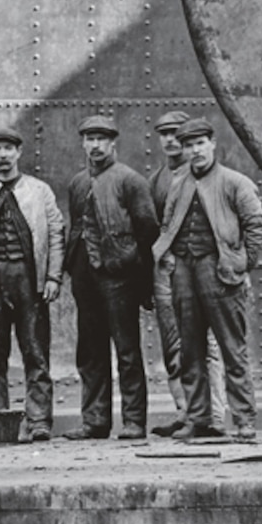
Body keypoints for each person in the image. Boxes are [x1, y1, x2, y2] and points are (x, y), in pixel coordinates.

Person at [155, 118, 262, 442]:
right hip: (184, 274)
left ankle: (245, 420)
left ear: (212, 143)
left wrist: (242, 263)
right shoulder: (178, 184)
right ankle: (199, 418)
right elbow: (167, 225)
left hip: (219, 273)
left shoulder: (235, 182)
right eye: (189, 145)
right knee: (189, 352)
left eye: (200, 143)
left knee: (233, 350)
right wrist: (169, 259)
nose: (195, 150)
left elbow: (257, 224)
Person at [0, 127, 64, 442]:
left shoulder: (39, 190)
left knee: (35, 352)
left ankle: (39, 421)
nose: (3, 155)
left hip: (28, 280)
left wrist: (53, 276)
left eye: (8, 148)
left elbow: (56, 232)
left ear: (18, 152)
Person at [65, 114, 161, 441]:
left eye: (101, 139)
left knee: (127, 351)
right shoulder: (77, 183)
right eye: (89, 139)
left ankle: (134, 422)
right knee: (90, 352)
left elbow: (147, 229)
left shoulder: (130, 181)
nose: (95, 146)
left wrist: (132, 265)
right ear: (83, 143)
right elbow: (77, 226)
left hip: (119, 277)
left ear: (112, 143)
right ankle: (95, 421)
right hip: (85, 276)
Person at [148, 112, 193, 419]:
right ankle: (183, 411)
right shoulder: (155, 181)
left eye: (175, 133)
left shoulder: (202, 174)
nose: (169, 139)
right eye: (164, 133)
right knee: (172, 343)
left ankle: (208, 411)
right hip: (166, 272)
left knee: (203, 343)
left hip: (198, 268)